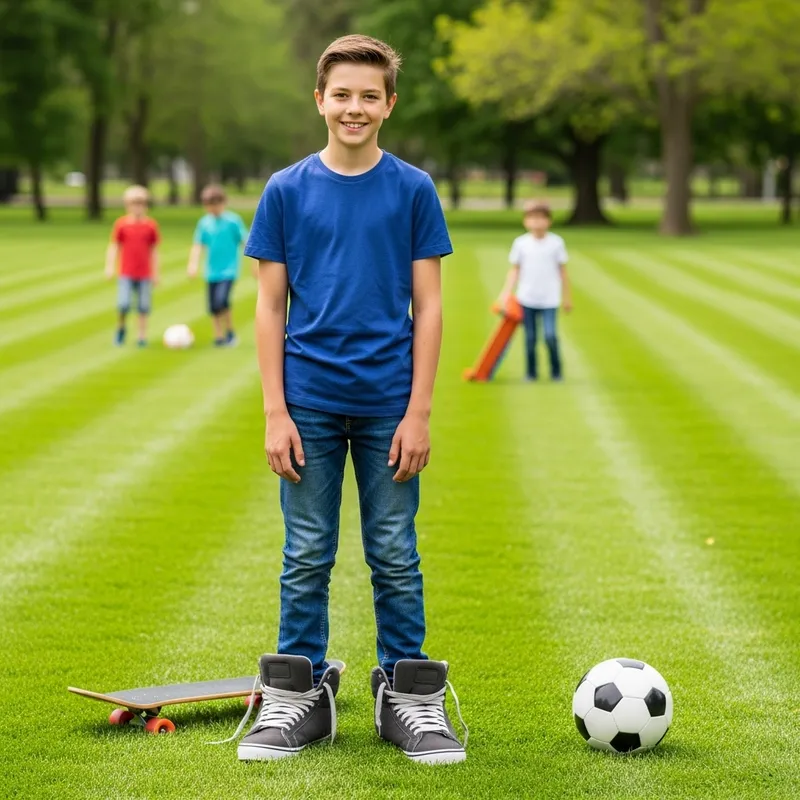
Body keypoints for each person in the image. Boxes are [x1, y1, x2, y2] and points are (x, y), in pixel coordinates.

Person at [236, 34, 467, 765]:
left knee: (395, 554)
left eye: (370, 95)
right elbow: (269, 308)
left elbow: (428, 307)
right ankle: (300, 696)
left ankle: (408, 697)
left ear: (389, 104)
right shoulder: (286, 190)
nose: (355, 107)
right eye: (342, 94)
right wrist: (274, 409)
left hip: (387, 404)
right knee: (306, 553)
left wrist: (420, 409)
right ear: (320, 100)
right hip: (306, 400)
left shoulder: (412, 189)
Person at [498, 200, 572, 381]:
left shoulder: (556, 243)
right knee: (530, 339)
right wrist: (506, 293)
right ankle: (531, 373)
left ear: (549, 221)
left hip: (549, 299)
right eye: (533, 218)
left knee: (550, 336)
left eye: (541, 218)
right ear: (526, 221)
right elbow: (515, 270)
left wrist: (567, 297)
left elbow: (562, 272)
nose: (537, 223)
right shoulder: (521, 244)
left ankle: (556, 371)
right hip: (527, 298)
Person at [187, 184, 250, 346]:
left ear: (223, 203)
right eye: (209, 205)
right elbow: (198, 245)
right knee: (213, 306)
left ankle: (229, 330)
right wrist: (193, 265)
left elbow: (245, 241)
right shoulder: (204, 223)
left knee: (222, 300)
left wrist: (255, 262)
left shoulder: (232, 221)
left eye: (216, 204)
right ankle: (219, 335)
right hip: (211, 271)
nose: (213, 208)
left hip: (229, 270)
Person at [104, 185, 160, 347]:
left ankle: (141, 336)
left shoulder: (150, 226)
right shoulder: (121, 225)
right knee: (124, 304)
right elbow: (114, 246)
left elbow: (154, 251)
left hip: (144, 273)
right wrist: (109, 267)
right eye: (134, 204)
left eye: (141, 203)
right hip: (126, 272)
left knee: (143, 306)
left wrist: (156, 273)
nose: (138, 207)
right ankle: (121, 328)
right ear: (127, 205)